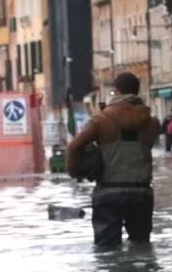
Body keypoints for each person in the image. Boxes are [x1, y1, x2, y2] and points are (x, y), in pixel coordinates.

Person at [67, 72, 160, 248]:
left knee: (106, 250)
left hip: (109, 192)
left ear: (116, 92)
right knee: (141, 246)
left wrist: (74, 171)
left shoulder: (100, 120)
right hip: (141, 192)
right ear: (136, 92)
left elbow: (73, 148)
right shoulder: (151, 123)